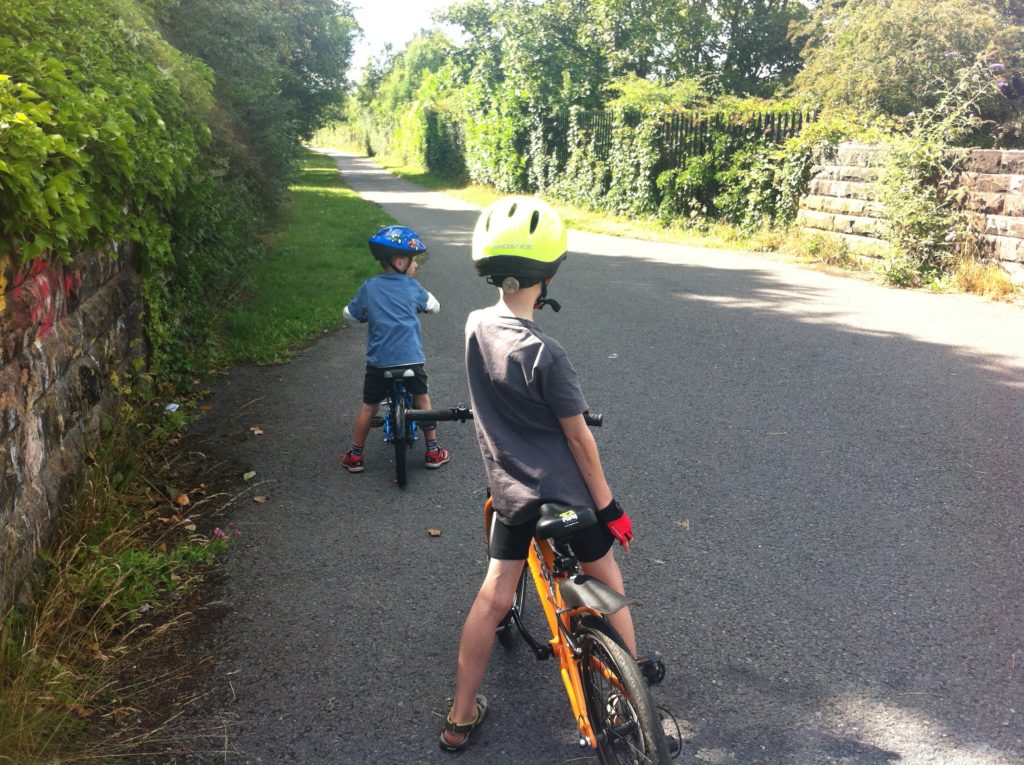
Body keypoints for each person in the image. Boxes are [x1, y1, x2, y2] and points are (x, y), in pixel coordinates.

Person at [439, 197, 659, 753]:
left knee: (493, 595)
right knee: (606, 577)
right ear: (550, 274)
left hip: (512, 496)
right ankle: (632, 688)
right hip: (568, 496)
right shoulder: (546, 353)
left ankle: (460, 716)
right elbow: (580, 438)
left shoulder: (474, 326)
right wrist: (610, 509)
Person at [340, 225, 450, 473]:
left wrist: (362, 317)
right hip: (411, 361)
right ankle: (433, 449)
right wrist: (420, 307)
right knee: (422, 398)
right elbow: (434, 306)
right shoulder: (413, 287)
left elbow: (349, 314)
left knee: (370, 405)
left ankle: (355, 455)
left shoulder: (369, 287)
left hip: (379, 363)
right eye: (413, 262)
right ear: (400, 261)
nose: (416, 266)